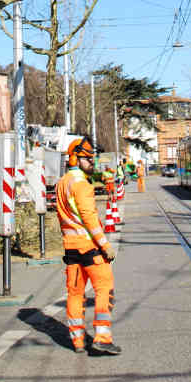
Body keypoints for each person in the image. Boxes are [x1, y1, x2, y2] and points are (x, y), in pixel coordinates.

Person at [56, 136, 121, 356]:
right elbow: (89, 217)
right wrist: (105, 246)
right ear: (74, 159)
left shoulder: (62, 183)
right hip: (89, 247)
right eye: (87, 159)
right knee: (105, 288)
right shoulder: (82, 184)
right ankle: (102, 337)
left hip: (70, 248)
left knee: (75, 293)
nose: (92, 163)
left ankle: (78, 341)